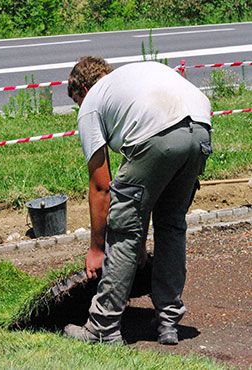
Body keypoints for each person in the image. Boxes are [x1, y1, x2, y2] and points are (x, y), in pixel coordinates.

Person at [64, 57, 212, 345]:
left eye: (76, 101)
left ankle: (102, 327)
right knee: (171, 226)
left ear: (82, 89)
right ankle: (168, 322)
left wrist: (96, 248)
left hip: (158, 132)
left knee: (121, 232)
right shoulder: (130, 81)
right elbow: (143, 193)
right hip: (200, 129)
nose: (79, 108)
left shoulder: (92, 102)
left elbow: (101, 187)